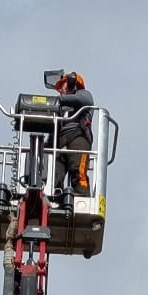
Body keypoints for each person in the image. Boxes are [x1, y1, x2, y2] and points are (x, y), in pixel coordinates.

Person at [54, 70, 94, 199]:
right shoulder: (59, 107)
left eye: (63, 85)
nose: (60, 90)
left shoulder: (83, 95)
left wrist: (60, 100)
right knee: (54, 174)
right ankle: (56, 195)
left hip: (78, 137)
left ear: (73, 84)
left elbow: (83, 99)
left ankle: (82, 195)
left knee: (78, 170)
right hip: (59, 143)